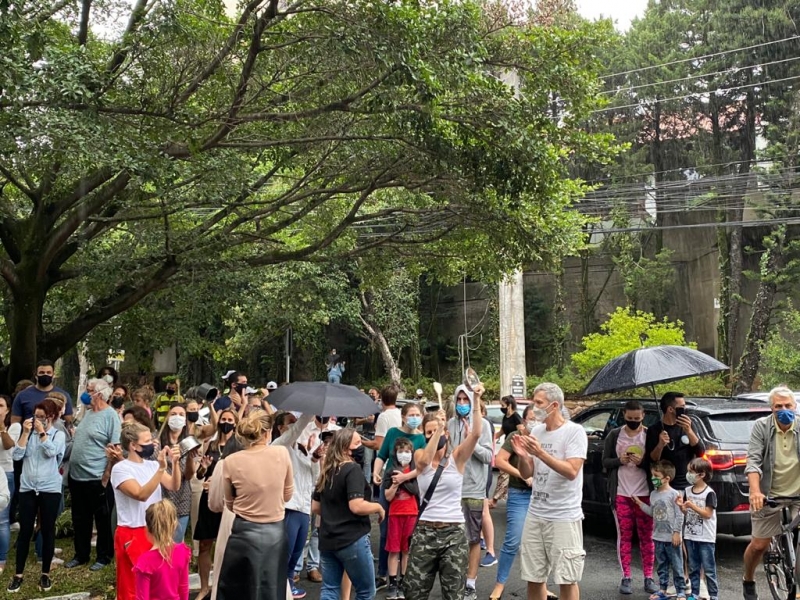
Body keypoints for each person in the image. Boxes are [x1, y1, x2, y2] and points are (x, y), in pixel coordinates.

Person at [404, 383, 484, 600]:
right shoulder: (420, 454)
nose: (433, 435)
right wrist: (437, 429)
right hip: (425, 532)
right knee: (414, 593)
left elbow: (476, 433)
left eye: (437, 431)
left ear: (449, 434)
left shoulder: (457, 457)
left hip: (453, 534)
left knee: (454, 595)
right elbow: (425, 462)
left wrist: (475, 400)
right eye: (427, 432)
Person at [512, 382, 587, 600]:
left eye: (538, 403)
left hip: (564, 515)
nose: (534, 408)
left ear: (554, 405)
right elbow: (527, 472)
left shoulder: (574, 432)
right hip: (536, 513)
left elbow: (572, 471)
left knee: (567, 578)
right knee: (533, 576)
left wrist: (540, 453)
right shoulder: (537, 431)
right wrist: (524, 457)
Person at [218, 411, 294, 600]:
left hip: (243, 532)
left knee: (238, 591)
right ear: (268, 433)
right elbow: (287, 495)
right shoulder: (281, 453)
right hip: (274, 532)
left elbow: (230, 503)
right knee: (272, 589)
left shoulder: (230, 461)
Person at [112, 422, 181, 600]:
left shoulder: (152, 466)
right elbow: (140, 494)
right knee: (132, 587)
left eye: (151, 439)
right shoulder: (121, 468)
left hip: (156, 530)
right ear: (133, 445)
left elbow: (174, 485)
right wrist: (161, 469)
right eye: (147, 441)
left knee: (158, 583)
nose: (152, 444)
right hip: (133, 531)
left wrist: (175, 462)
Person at [312, 428, 384, 600]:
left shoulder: (327, 470)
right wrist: (378, 507)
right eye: (357, 443)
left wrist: (335, 511)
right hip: (352, 538)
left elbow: (316, 507)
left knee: (330, 589)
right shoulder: (352, 469)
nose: (361, 447)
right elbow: (356, 506)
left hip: (328, 539)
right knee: (366, 591)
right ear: (345, 448)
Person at [742, 386, 799, 600]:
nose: (784, 410)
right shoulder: (762, 427)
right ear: (771, 408)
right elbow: (753, 462)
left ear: (795, 406)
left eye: (788, 406)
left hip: (797, 496)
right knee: (759, 545)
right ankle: (748, 579)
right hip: (768, 494)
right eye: (778, 406)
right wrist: (756, 491)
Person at [7, 399, 66, 594]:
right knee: (25, 531)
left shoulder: (58, 435)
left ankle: (45, 573)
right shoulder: (29, 433)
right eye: (36, 416)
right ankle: (18, 574)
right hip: (28, 487)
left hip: (50, 488)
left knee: (47, 530)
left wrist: (42, 433)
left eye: (43, 417)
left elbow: (51, 453)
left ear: (52, 417)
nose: (38, 420)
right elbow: (16, 456)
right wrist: (25, 433)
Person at [601, 400, 657, 596]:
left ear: (643, 416)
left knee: (647, 537)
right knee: (624, 536)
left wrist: (642, 463)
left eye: (637, 418)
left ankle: (649, 577)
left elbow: (656, 464)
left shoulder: (649, 435)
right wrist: (620, 461)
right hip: (622, 494)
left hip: (645, 495)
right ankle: (626, 576)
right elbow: (605, 462)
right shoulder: (615, 435)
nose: (633, 421)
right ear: (624, 415)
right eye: (630, 418)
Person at [66, 378, 121, 572]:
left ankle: (104, 556)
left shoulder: (111, 416)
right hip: (77, 477)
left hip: (97, 477)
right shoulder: (87, 413)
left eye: (89, 390)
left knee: (103, 518)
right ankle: (81, 555)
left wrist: (106, 475)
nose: (85, 393)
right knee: (80, 518)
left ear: (100, 393)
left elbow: (115, 448)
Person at [372, 400, 425, 590]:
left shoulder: (421, 439)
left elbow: (421, 467)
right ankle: (382, 574)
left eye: (417, 415)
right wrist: (376, 473)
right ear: (403, 416)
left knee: (406, 538)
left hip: (409, 486)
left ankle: (403, 577)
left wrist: (404, 478)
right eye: (410, 415)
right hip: (390, 481)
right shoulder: (393, 433)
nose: (414, 418)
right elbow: (381, 455)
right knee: (386, 530)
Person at [447, 385, 494, 600]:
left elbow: (488, 457)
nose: (463, 404)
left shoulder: (482, 425)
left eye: (467, 400)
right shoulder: (449, 424)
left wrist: (471, 440)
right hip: (452, 489)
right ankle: (456, 580)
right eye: (460, 400)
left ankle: (471, 583)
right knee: (454, 538)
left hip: (474, 489)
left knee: (473, 538)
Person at [489, 404, 535, 600]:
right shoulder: (515, 438)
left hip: (543, 497)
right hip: (520, 493)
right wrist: (523, 476)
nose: (535, 422)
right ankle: (499, 585)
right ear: (523, 421)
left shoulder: (549, 438)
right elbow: (499, 461)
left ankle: (540, 586)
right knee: (513, 540)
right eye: (531, 418)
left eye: (539, 418)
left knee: (540, 545)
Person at [271, 412, 319, 600]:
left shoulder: (300, 450)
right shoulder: (277, 447)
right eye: (290, 422)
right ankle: (279, 587)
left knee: (297, 551)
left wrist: (314, 459)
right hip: (288, 507)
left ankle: (289, 583)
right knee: (287, 551)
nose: (295, 425)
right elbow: (295, 431)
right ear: (281, 428)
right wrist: (309, 413)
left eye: (295, 421)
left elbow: (314, 479)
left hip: (303, 508)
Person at [194, 409, 238, 600]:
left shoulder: (239, 446)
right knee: (205, 544)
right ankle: (204, 587)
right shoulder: (210, 444)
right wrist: (203, 471)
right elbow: (199, 474)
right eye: (223, 419)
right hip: (207, 500)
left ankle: (224, 587)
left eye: (230, 420)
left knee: (228, 546)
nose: (226, 422)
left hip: (228, 502)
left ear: (235, 423)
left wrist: (220, 482)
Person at [296, 415, 340, 583]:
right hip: (307, 484)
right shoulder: (304, 430)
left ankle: (313, 566)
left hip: (326, 486)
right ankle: (296, 566)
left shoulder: (337, 432)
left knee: (318, 529)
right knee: (303, 527)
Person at [633, 461, 685, 600]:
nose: (652, 478)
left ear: (667, 478)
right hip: (657, 537)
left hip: (671, 538)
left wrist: (676, 532)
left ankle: (680, 590)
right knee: (662, 565)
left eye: (656, 475)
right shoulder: (653, 494)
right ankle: (663, 589)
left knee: (677, 565)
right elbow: (653, 512)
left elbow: (680, 514)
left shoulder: (674, 494)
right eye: (652, 475)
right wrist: (640, 504)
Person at [644, 392, 704, 491]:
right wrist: (660, 445)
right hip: (666, 485)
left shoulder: (688, 426)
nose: (685, 409)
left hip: (687, 483)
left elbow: (700, 452)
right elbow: (652, 459)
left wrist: (689, 431)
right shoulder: (654, 430)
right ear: (670, 409)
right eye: (682, 407)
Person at [677, 457, 718, 600]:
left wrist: (691, 505)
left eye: (691, 472)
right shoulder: (687, 490)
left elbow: (707, 514)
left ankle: (713, 595)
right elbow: (686, 512)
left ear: (702, 475)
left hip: (706, 536)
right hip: (690, 535)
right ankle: (694, 593)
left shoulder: (709, 493)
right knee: (693, 566)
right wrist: (682, 507)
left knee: (709, 568)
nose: (688, 474)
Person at [134, 499, 191, 600]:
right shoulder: (182, 551)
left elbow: (142, 598)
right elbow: (184, 588)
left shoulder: (145, 562)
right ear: (174, 525)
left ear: (148, 528)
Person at [384, 438, 419, 600]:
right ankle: (392, 582)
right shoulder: (390, 471)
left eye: (407, 452)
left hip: (411, 513)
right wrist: (395, 483)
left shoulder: (415, 472)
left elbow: (415, 491)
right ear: (395, 453)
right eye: (400, 451)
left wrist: (403, 479)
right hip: (395, 514)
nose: (404, 455)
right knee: (393, 549)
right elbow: (388, 496)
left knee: (406, 550)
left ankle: (404, 581)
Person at [159, 403, 197, 542]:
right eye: (173, 414)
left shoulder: (189, 442)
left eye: (181, 415)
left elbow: (189, 475)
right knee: (161, 541)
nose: (177, 418)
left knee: (176, 543)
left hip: (182, 498)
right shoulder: (158, 441)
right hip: (161, 496)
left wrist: (190, 459)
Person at [10, 359, 74, 425]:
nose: (45, 375)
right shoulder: (22, 396)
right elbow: (15, 424)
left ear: (53, 375)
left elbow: (69, 422)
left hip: (56, 434)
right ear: (35, 375)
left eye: (48, 372)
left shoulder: (63, 396)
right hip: (29, 434)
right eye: (42, 372)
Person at [0, 395, 21, 575]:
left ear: (7, 410)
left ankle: (1, 559)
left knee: (3, 519)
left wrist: (1, 427)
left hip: (5, 474)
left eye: (0, 406)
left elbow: (8, 446)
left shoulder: (14, 427)